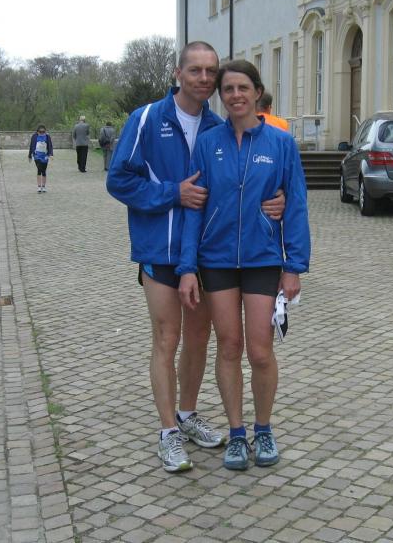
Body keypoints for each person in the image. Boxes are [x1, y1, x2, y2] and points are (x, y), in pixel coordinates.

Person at [106, 42, 286, 473]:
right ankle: (168, 432)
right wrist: (173, 193)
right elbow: (118, 180)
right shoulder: (147, 118)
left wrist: (271, 202)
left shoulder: (215, 126)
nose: (204, 78)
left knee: (201, 337)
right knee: (166, 338)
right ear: (178, 73)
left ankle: (187, 415)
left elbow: (230, 189)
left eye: (210, 72)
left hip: (204, 253)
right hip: (159, 249)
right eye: (195, 70)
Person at [177, 60, 310, 471]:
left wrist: (294, 265)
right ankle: (237, 433)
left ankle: (263, 428)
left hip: (262, 259)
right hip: (216, 260)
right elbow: (195, 208)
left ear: (257, 92)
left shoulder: (280, 143)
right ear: (222, 96)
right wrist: (186, 267)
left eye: (242, 88)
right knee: (229, 346)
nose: (235, 95)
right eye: (228, 89)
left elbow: (296, 204)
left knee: (261, 351)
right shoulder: (208, 143)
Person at [28, 124, 53, 193]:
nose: (42, 133)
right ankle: (39, 186)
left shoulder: (47, 136)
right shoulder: (34, 136)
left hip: (45, 156)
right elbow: (31, 145)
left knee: (44, 171)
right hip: (36, 156)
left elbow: (50, 146)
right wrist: (29, 155)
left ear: (45, 131)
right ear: (37, 131)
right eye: (40, 132)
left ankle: (43, 186)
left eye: (43, 132)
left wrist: (51, 154)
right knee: (39, 169)